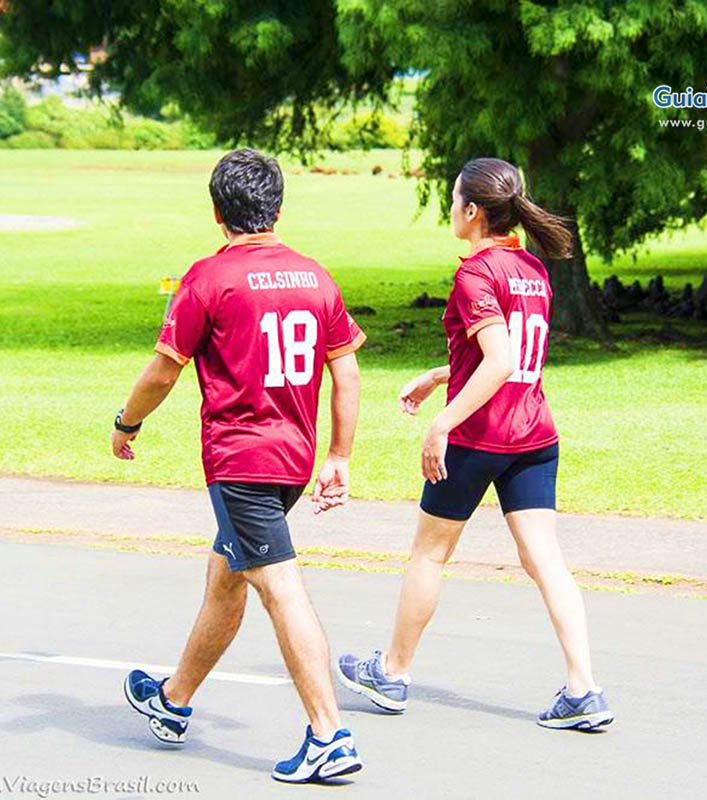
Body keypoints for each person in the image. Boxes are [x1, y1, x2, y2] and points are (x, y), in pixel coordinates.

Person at [111, 149, 368, 782]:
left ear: (218, 212)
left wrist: (127, 423)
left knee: (280, 587)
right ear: (276, 207)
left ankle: (329, 735)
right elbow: (347, 367)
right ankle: (174, 701)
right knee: (227, 576)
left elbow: (164, 370)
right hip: (292, 458)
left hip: (241, 460)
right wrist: (338, 455)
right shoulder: (315, 276)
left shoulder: (209, 278)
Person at [335, 157, 613, 730]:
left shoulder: (475, 274)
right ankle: (584, 688)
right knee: (546, 560)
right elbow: (504, 358)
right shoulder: (532, 269)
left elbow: (501, 359)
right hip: (533, 434)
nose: (451, 208)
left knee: (430, 554)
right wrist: (439, 376)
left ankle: (392, 672)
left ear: (471, 211)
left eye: (455, 198)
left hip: (479, 436)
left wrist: (442, 423)